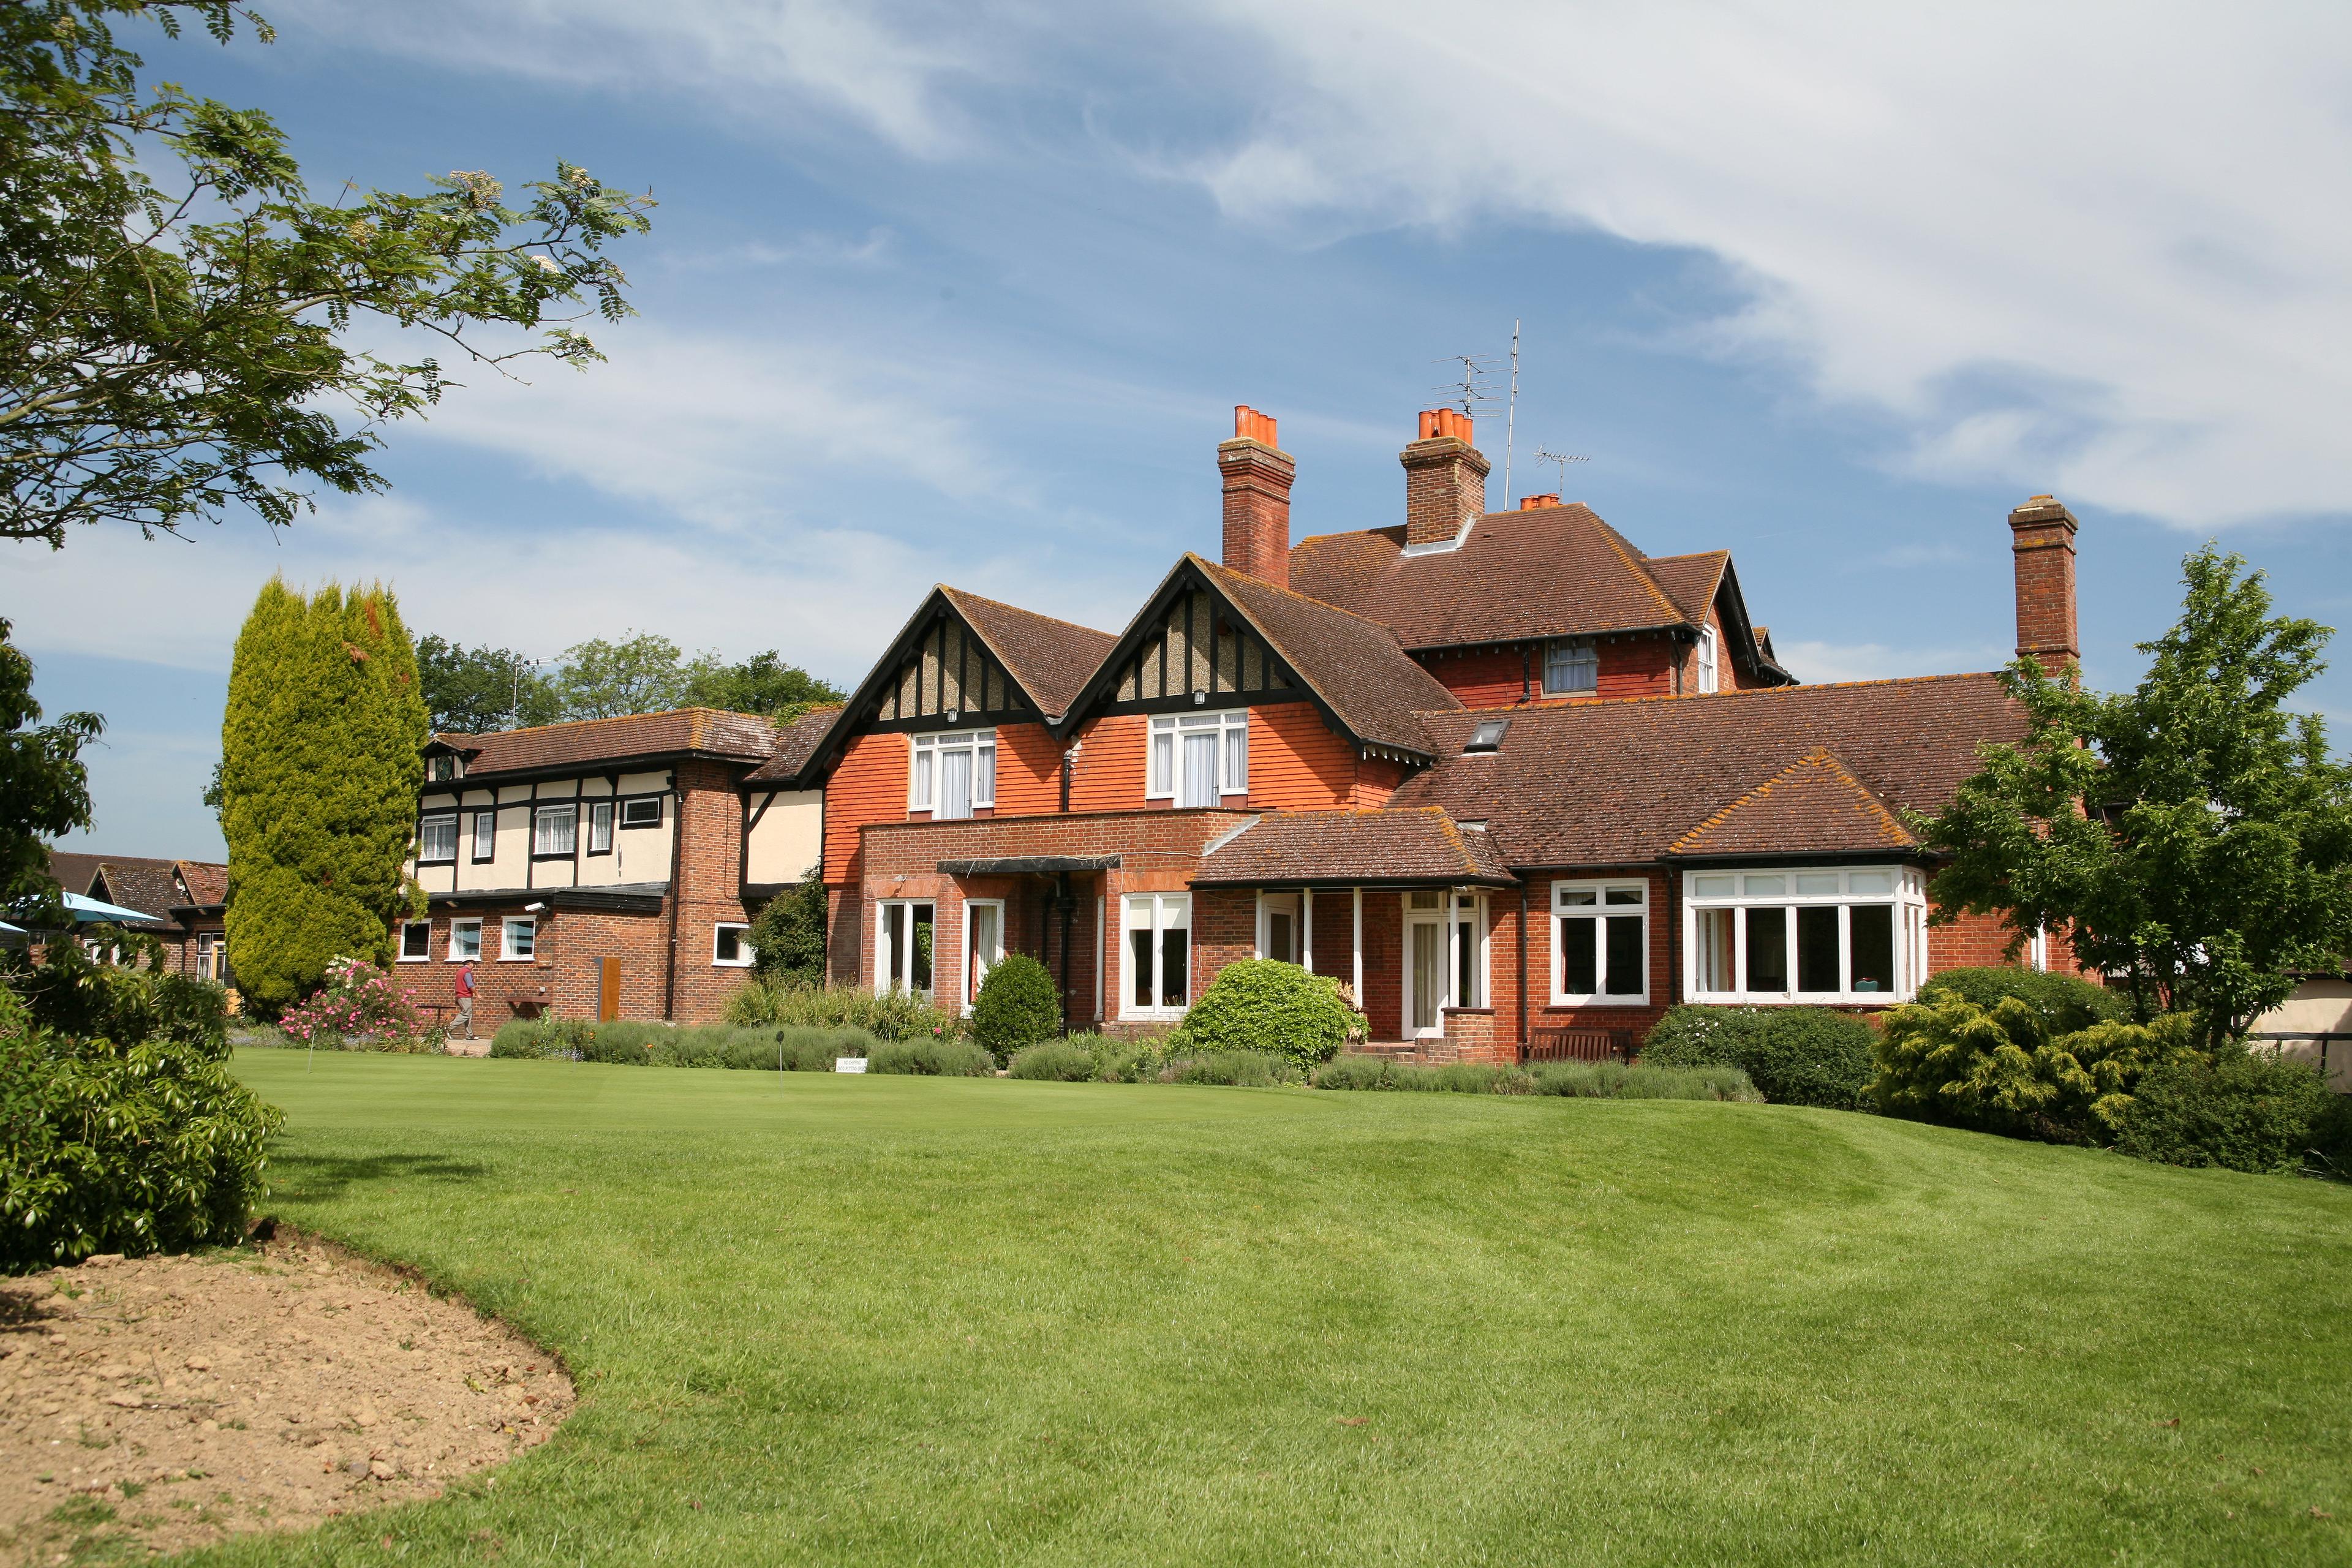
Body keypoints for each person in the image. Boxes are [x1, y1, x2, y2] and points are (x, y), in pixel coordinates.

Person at [454, 959, 476, 1038]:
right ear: (469, 963)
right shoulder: (467, 972)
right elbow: (470, 985)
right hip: (465, 996)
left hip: (460, 995)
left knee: (468, 1014)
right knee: (466, 1014)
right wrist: (477, 994)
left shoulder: (460, 972)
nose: (474, 966)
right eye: (473, 964)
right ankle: (449, 1028)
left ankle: (469, 1035)